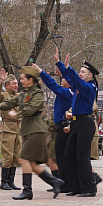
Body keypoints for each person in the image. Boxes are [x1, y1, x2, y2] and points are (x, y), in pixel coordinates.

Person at [0, 66, 64, 200]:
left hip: (36, 130)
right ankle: (55, 181)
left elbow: (31, 109)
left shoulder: (37, 93)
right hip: (28, 130)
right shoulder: (24, 93)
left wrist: (16, 114)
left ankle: (28, 190)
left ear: (30, 80)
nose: (20, 81)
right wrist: (0, 106)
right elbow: (11, 102)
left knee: (23, 159)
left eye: (22, 79)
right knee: (31, 163)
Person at [55, 48, 99, 197]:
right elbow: (71, 78)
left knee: (82, 156)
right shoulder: (79, 86)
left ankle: (89, 188)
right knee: (68, 155)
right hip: (75, 123)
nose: (80, 74)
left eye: (83, 72)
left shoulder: (90, 87)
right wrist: (60, 64)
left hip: (86, 124)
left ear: (90, 75)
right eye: (79, 71)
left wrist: (68, 68)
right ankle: (76, 186)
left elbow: (76, 81)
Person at [34, 63, 74, 194]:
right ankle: (63, 182)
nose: (61, 79)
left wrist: (41, 72)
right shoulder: (68, 91)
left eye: (63, 78)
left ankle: (65, 183)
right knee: (61, 157)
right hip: (60, 126)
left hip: (63, 127)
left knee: (61, 157)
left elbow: (52, 84)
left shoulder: (66, 92)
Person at [0, 69, 21, 191]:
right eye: (14, 84)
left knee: (16, 157)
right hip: (7, 129)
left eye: (17, 83)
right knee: (8, 157)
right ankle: (4, 182)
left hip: (17, 129)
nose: (16, 85)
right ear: (7, 85)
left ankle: (11, 181)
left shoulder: (17, 96)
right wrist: (1, 82)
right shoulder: (4, 95)